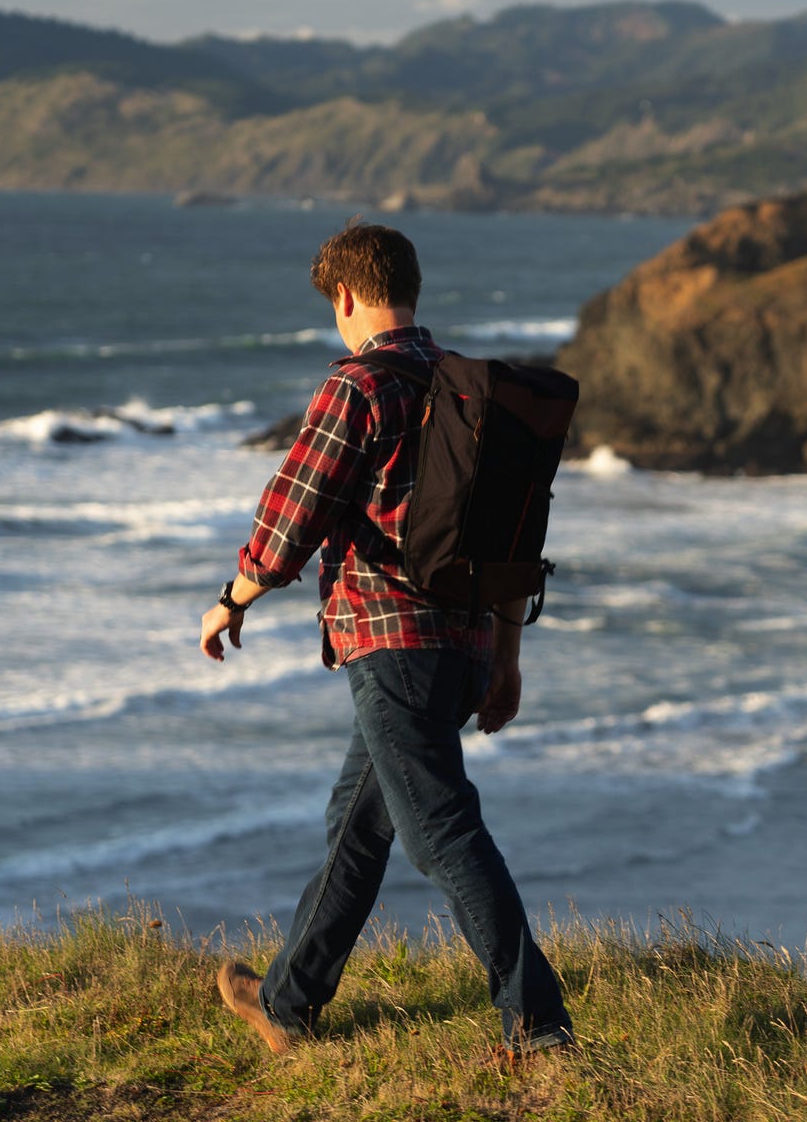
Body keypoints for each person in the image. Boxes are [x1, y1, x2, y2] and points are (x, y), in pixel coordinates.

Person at [199, 223, 574, 1056]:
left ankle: (539, 1026)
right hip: (467, 642)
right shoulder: (466, 389)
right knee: (359, 823)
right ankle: (289, 1003)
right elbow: (516, 535)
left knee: (440, 832)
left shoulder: (360, 384)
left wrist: (232, 597)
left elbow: (292, 513)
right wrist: (505, 661)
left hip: (391, 642)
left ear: (346, 297)